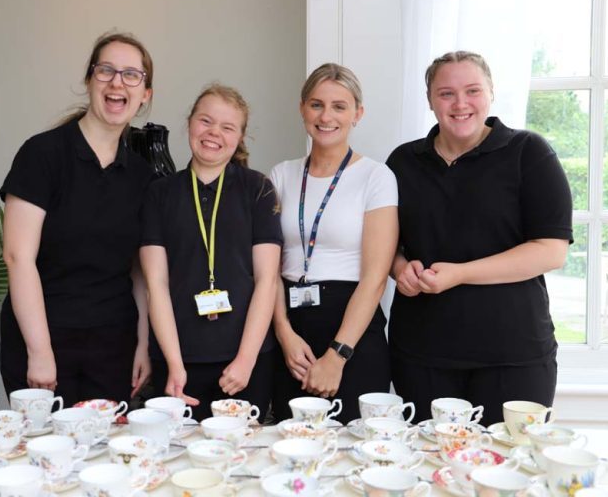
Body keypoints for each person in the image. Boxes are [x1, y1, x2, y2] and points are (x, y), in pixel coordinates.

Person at [386, 51, 573, 426]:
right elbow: (386, 246)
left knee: (506, 472)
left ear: (490, 93)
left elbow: (551, 252)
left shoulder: (528, 153)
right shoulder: (403, 162)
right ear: (429, 99)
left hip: (513, 355)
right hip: (423, 354)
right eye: (446, 93)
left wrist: (460, 273)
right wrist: (400, 268)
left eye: (472, 90)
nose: (460, 104)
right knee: (431, 470)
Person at [0, 32, 154, 407]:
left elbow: (138, 270)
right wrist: (40, 351)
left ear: (145, 93)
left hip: (113, 346)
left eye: (131, 75)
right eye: (107, 71)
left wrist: (144, 344)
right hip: (44, 340)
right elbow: (17, 257)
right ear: (89, 80)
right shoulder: (42, 155)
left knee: (105, 459)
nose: (118, 82)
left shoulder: (141, 175)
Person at [140, 84, 282, 422]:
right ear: (190, 123)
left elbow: (267, 280)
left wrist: (246, 360)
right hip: (177, 361)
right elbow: (154, 284)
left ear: (240, 136)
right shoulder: (158, 193)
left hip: (246, 362)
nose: (213, 133)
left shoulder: (258, 188)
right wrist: (174, 363)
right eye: (205, 121)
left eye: (227, 126)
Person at [270, 63, 399, 424]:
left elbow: (375, 278)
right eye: (316, 104)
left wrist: (337, 355)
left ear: (358, 113)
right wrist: (284, 334)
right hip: (291, 331)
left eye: (339, 106)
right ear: (302, 109)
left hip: (352, 331)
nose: (326, 116)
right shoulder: (281, 174)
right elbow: (268, 269)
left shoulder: (376, 177)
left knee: (354, 456)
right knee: (291, 452)